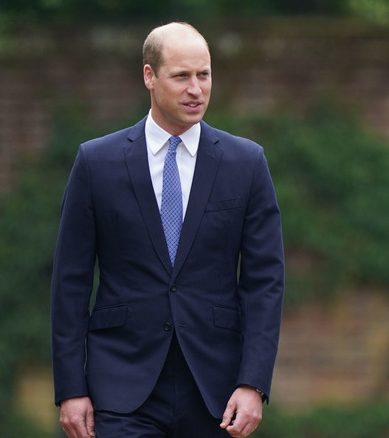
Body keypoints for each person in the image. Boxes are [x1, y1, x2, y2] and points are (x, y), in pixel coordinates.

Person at [50, 22, 284, 438]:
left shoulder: (246, 163)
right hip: (119, 385)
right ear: (149, 77)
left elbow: (265, 282)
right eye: (181, 76)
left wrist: (253, 383)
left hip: (216, 388)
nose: (196, 89)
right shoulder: (96, 163)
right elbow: (70, 282)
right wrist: (70, 388)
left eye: (204, 74)